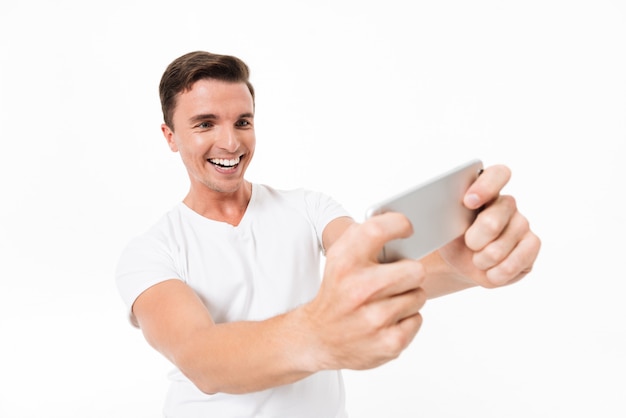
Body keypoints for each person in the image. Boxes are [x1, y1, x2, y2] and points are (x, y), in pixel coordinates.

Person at [115, 50, 541, 417]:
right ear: (170, 137)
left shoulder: (309, 207)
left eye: (242, 121)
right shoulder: (150, 252)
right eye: (205, 124)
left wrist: (462, 264)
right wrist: (320, 335)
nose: (230, 141)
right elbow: (202, 360)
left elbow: (367, 276)